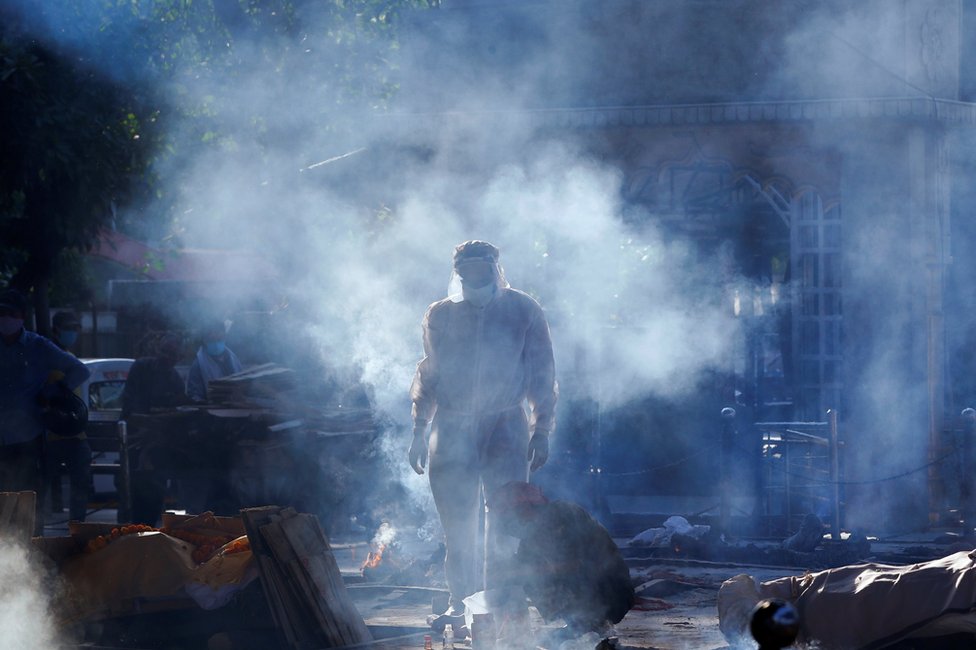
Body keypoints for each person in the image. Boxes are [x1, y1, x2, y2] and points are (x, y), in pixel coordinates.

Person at [408, 240, 558, 621]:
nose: (474, 277)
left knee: (508, 520)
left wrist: (541, 428)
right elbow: (429, 374)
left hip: (506, 425)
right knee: (457, 526)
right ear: (458, 273)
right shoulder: (440, 315)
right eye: (467, 270)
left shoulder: (523, 310)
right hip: (452, 424)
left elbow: (542, 373)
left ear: (495, 270)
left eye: (482, 269)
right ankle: (463, 602)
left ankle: (504, 605)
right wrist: (419, 429)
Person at [489, 481, 635, 641]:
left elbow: (574, 565)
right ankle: (578, 624)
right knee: (527, 576)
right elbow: (519, 568)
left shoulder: (563, 515)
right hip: (593, 591)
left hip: (611, 594)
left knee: (534, 576)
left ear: (524, 509)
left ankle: (593, 623)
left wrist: (522, 571)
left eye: (507, 514)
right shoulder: (531, 534)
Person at [0, 289, 90, 534]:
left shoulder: (38, 346)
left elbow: (80, 371)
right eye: (1, 312)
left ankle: (33, 554)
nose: (5, 318)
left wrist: (52, 392)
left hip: (29, 437)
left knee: (29, 501)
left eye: (11, 313)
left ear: (23, 316)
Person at [121, 331, 188, 525]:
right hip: (135, 442)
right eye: (166, 353)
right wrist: (147, 422)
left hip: (159, 447)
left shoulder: (174, 379)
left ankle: (150, 529)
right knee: (134, 496)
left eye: (174, 356)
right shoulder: (141, 368)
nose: (169, 359)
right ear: (159, 351)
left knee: (155, 492)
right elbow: (130, 411)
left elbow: (177, 412)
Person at [46, 310, 93, 522]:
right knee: (42, 484)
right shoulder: (46, 357)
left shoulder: (70, 359)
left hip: (76, 434)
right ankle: (37, 531)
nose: (73, 333)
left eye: (75, 328)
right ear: (56, 330)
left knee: (81, 482)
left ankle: (77, 528)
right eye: (68, 328)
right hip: (50, 434)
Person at [186, 318, 242, 403]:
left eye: (219, 339)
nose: (216, 344)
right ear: (205, 341)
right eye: (212, 340)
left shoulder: (233, 359)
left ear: (225, 337)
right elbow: (194, 395)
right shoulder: (198, 365)